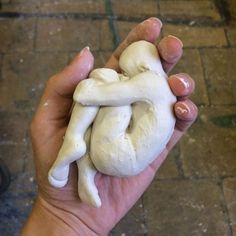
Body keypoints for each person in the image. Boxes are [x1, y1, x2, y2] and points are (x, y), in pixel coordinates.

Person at [21, 18, 198, 236]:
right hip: (124, 160)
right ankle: (86, 172)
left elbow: (89, 95)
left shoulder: (149, 81)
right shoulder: (165, 90)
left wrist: (97, 78)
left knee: (103, 82)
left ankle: (74, 139)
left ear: (143, 67)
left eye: (127, 71)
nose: (124, 75)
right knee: (110, 92)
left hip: (121, 152)